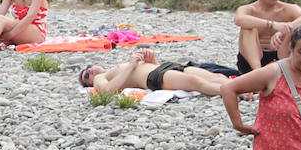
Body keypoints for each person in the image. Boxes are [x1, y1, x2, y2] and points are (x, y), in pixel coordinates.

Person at [232, 0, 301, 73]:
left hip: (280, 57)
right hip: (252, 61)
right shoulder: (249, 9)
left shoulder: (287, 9)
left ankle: (281, 72)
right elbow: (239, 19)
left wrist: (283, 29)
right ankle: (258, 72)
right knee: (248, 28)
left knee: (291, 28)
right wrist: (273, 25)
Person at [79, 47, 230, 96]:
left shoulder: (115, 68)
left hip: (163, 67)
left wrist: (152, 60)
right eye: (87, 75)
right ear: (89, 83)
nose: (90, 70)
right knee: (195, 82)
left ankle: (243, 87)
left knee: (217, 76)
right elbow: (107, 90)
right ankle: (232, 91)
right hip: (155, 77)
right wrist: (132, 66)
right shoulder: (101, 77)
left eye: (89, 67)